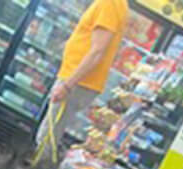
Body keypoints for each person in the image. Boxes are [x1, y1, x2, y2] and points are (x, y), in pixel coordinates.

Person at [38, 0, 129, 154]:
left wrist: (67, 85)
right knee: (49, 136)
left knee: (46, 140)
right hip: (78, 81)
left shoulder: (111, 3)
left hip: (78, 83)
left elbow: (97, 52)